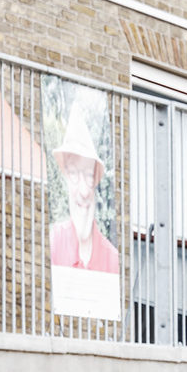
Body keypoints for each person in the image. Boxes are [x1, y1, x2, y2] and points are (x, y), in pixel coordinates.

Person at [48, 113, 120, 274]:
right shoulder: (53, 242)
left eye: (88, 175)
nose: (84, 191)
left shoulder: (112, 258)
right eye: (74, 174)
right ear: (65, 177)